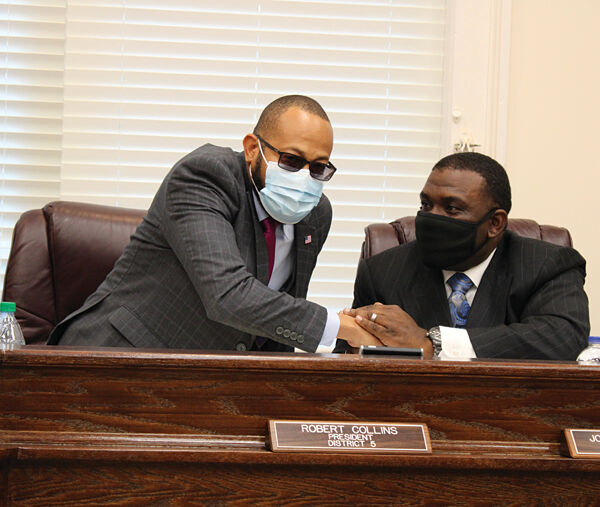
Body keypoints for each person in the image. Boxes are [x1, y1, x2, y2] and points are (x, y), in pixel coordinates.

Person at [48, 95, 376, 351]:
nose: (305, 178)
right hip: (115, 356)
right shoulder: (206, 176)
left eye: (319, 168)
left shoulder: (315, 214)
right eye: (291, 160)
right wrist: (340, 327)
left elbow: (274, 322)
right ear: (252, 149)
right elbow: (229, 295)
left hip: (207, 380)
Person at [334, 152, 590, 360]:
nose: (432, 217)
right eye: (426, 205)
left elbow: (563, 338)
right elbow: (348, 358)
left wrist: (432, 344)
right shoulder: (382, 271)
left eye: (452, 208)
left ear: (495, 223)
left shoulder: (547, 265)